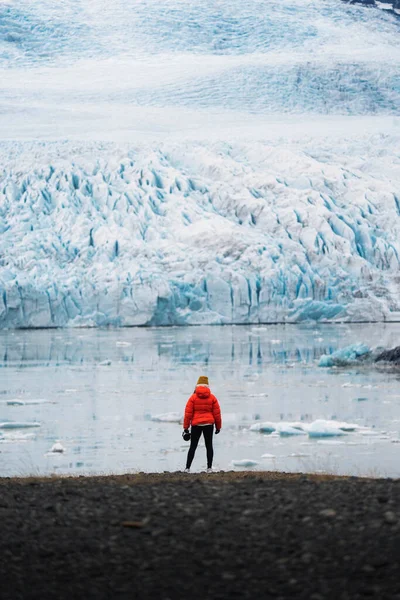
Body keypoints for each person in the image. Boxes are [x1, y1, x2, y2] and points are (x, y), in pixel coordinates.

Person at [183, 375, 222, 473]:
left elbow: (188, 414)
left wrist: (186, 428)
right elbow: (217, 413)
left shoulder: (193, 398)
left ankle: (187, 468)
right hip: (209, 424)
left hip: (196, 425)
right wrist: (218, 427)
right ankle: (209, 468)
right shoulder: (212, 398)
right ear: (207, 386)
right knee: (209, 446)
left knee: (193, 446)